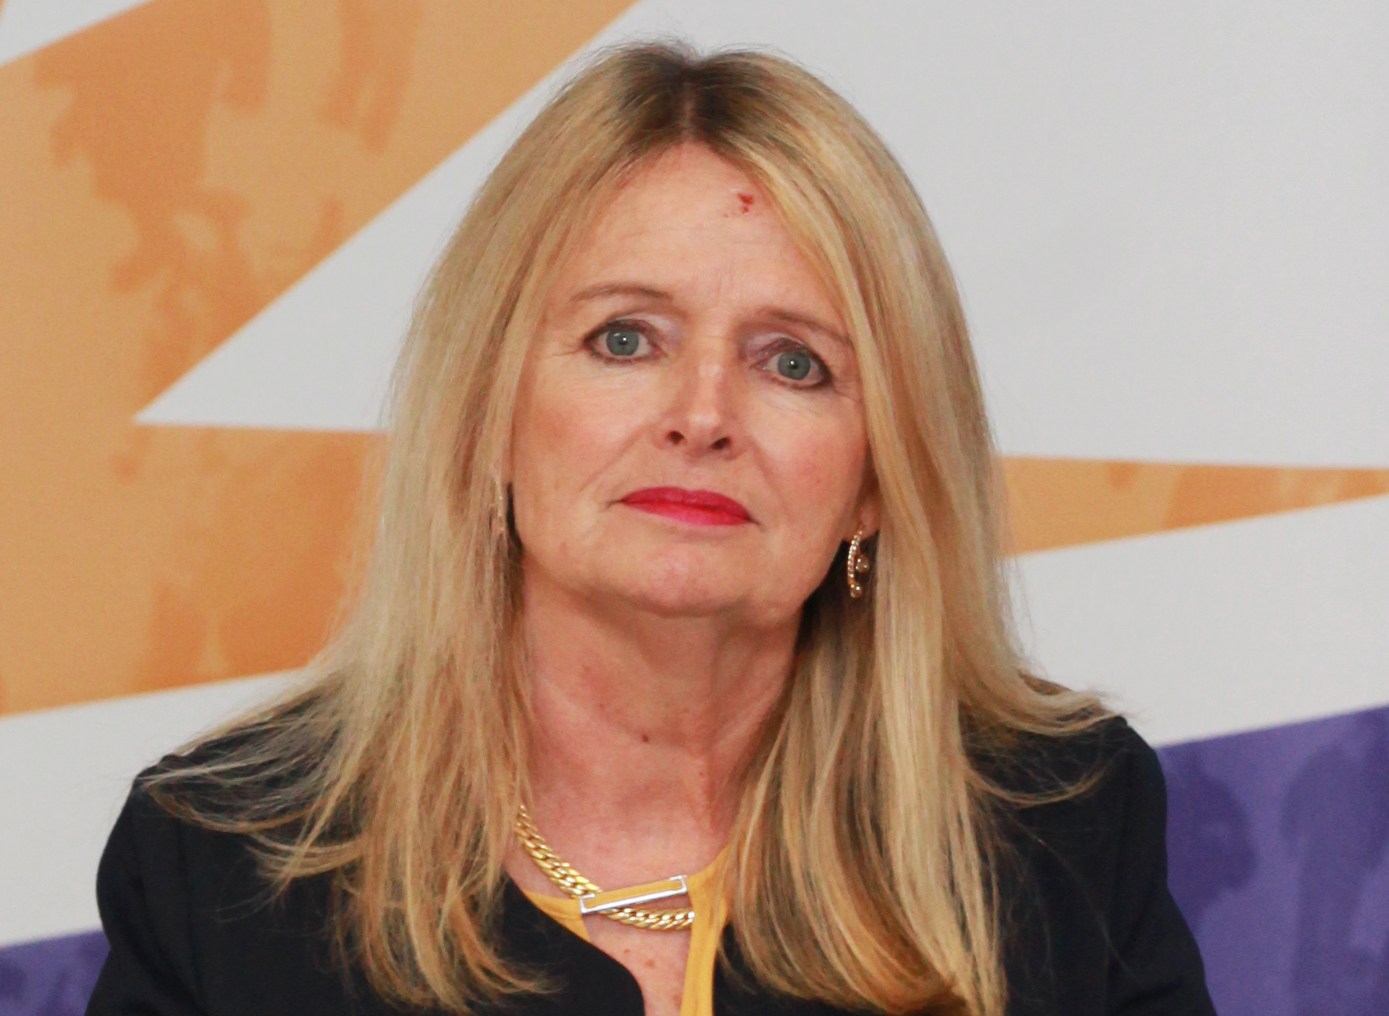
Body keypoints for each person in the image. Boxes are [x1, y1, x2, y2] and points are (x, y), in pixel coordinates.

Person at [85, 41, 1215, 1016]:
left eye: (794, 363)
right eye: (627, 339)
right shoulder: (223, 863)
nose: (704, 416)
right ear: (488, 415)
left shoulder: (1060, 829)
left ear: (878, 479)